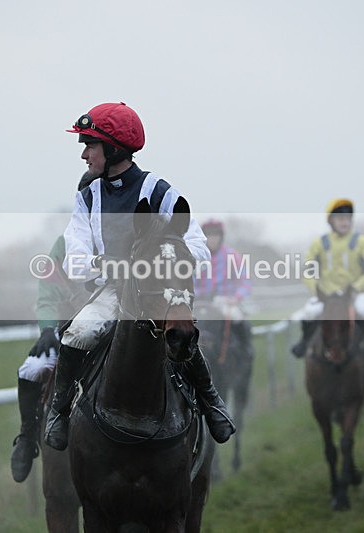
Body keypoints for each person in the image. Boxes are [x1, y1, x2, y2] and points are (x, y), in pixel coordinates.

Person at [43, 102, 235, 451]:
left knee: (182, 330)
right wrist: (108, 266)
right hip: (112, 292)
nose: (85, 155)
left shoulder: (159, 191)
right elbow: (76, 257)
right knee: (78, 332)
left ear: (113, 148)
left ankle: (211, 401)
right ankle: (59, 410)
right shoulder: (88, 197)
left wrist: (166, 264)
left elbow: (198, 245)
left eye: (90, 145)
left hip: (158, 290)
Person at [10, 174, 94, 483]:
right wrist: (47, 329)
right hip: (70, 329)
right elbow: (47, 295)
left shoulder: (124, 238)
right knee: (30, 369)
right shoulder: (64, 245)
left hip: (116, 326)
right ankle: (27, 438)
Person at [290, 198, 364, 360]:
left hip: (354, 294)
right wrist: (316, 289)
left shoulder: (361, 242)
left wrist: (357, 287)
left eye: (347, 219)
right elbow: (308, 270)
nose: (344, 222)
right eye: (340, 219)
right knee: (309, 312)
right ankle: (304, 342)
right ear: (331, 221)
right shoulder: (320, 243)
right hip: (327, 295)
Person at [193, 219, 254, 361]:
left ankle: (246, 354)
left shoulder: (232, 255)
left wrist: (235, 298)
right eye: (209, 235)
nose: (212, 239)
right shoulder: (197, 256)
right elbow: (189, 281)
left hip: (225, 301)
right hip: (199, 302)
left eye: (215, 235)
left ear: (221, 237)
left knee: (240, 321)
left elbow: (245, 282)